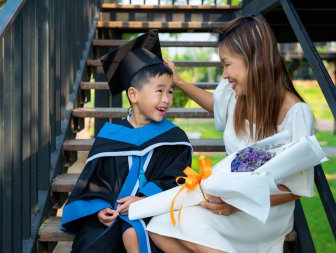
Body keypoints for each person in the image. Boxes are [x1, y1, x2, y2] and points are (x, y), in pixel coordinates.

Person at [147, 16, 315, 253]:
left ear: (252, 59)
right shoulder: (235, 92)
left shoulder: (295, 113)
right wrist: (180, 82)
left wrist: (239, 203)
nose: (224, 74)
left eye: (226, 64)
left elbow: (296, 191)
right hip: (228, 197)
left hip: (265, 210)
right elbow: (218, 107)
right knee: (159, 228)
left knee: (177, 225)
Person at [61, 30, 193, 253]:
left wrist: (144, 199)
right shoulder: (110, 135)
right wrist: (99, 209)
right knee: (94, 242)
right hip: (112, 216)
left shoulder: (175, 139)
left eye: (170, 91)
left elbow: (177, 179)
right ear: (133, 95)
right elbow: (95, 182)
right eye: (159, 91)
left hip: (155, 213)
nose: (166, 99)